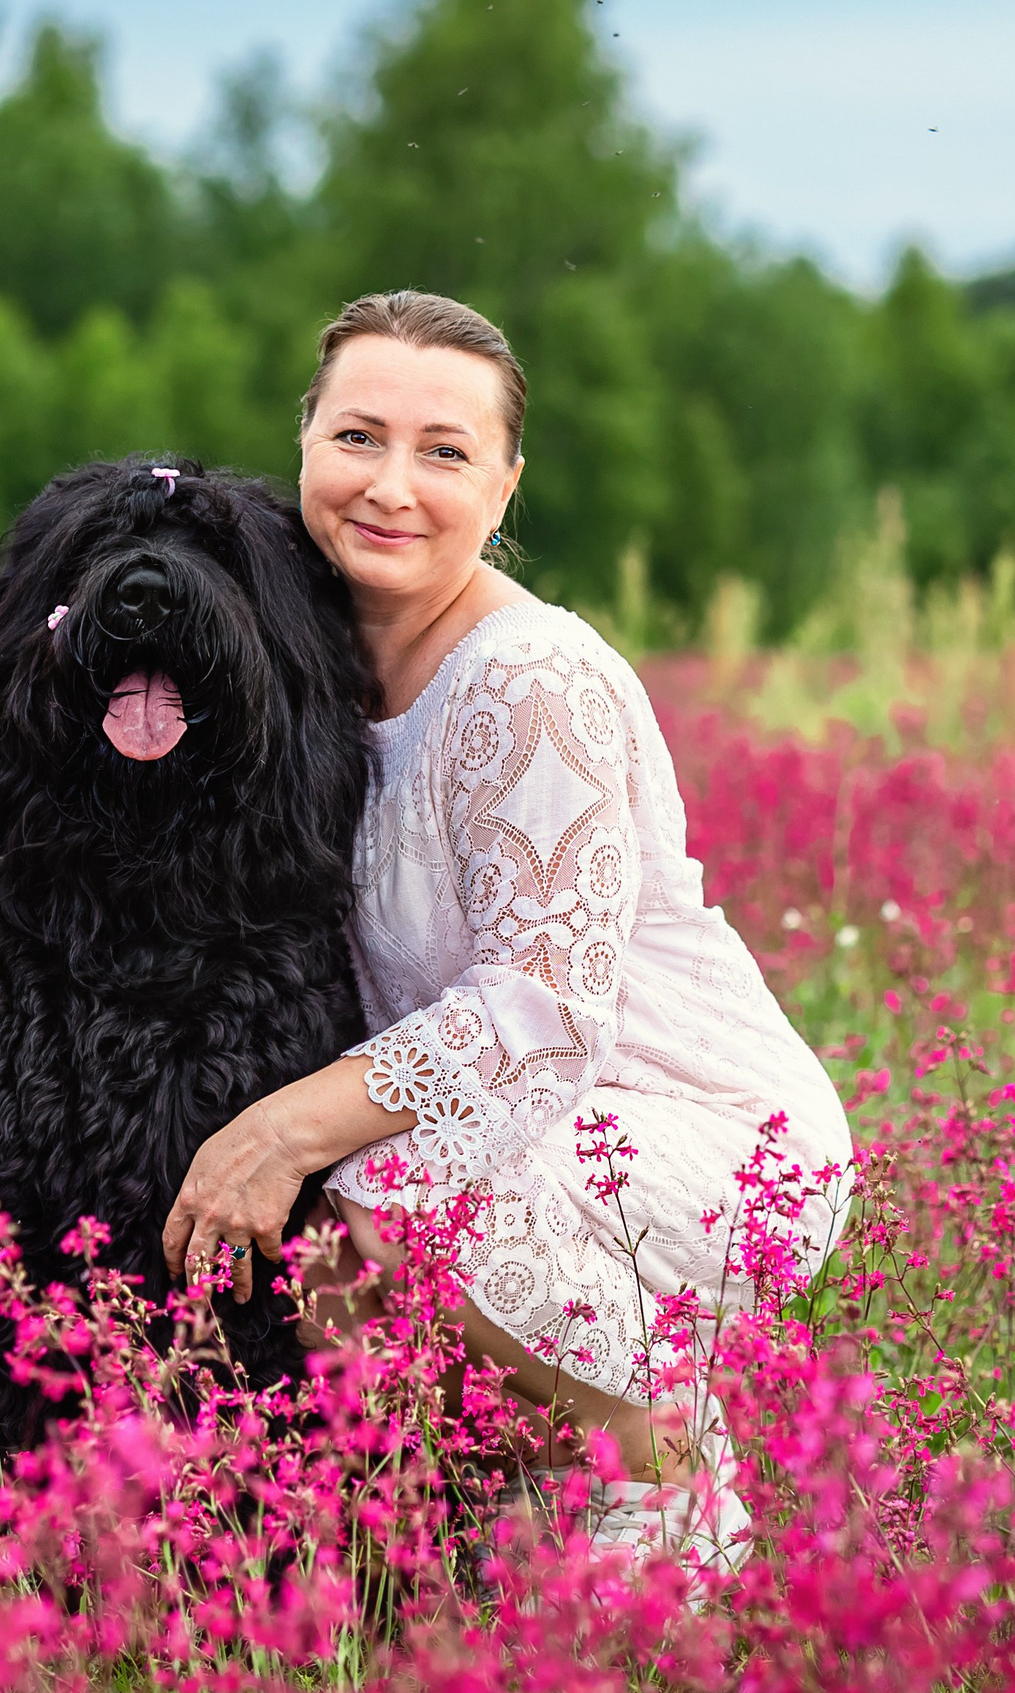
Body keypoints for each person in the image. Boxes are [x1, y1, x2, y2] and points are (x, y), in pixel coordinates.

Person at [160, 290, 853, 1565]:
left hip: (694, 1120)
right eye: (357, 437)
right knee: (346, 1257)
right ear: (304, 441)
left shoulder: (531, 681)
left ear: (505, 484)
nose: (390, 486)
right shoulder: (305, 660)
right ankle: (553, 1489)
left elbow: (546, 1005)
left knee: (370, 1206)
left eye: (444, 452)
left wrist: (276, 1124)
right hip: (524, 1107)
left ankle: (665, 1456)